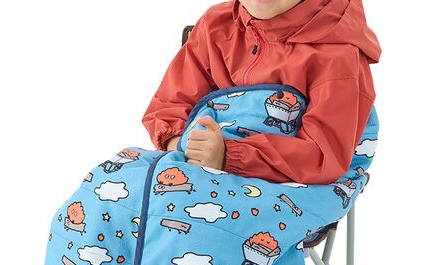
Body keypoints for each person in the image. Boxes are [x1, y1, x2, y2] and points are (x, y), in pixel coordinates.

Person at [142, 0, 381, 184]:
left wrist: (228, 156)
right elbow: (169, 105)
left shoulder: (336, 55)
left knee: (187, 220)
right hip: (200, 164)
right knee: (124, 183)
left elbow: (324, 156)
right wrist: (183, 145)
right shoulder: (216, 26)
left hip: (298, 182)